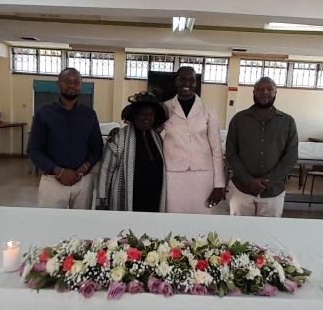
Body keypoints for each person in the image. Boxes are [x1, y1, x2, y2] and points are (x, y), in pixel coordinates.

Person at [27, 67, 103, 209]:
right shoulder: (44, 113)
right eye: (67, 81)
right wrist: (59, 171)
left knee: (80, 225)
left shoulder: (89, 114)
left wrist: (82, 169)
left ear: (80, 85)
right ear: (58, 83)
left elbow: (97, 147)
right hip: (53, 182)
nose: (72, 85)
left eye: (76, 82)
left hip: (82, 181)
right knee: (51, 225)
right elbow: (34, 150)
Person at [225, 76, 298, 217]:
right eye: (260, 89)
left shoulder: (287, 122)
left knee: (268, 235)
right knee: (238, 233)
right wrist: (248, 180)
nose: (265, 92)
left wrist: (268, 181)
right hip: (241, 190)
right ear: (254, 92)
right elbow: (231, 153)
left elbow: (291, 156)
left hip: (273, 193)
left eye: (270, 89)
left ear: (275, 93)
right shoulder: (239, 119)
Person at [162, 66, 225, 214]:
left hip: (203, 175)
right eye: (182, 79)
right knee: (173, 218)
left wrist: (219, 184)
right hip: (173, 174)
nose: (187, 83)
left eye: (192, 80)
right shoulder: (165, 107)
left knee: (201, 221)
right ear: (176, 81)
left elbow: (217, 149)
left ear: (196, 83)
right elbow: (149, 130)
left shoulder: (208, 109)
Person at [97, 92, 168, 212]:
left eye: (151, 115)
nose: (147, 118)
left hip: (153, 200)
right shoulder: (119, 136)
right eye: (142, 114)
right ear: (134, 115)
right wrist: (102, 200)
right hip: (127, 200)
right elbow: (106, 169)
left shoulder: (157, 137)